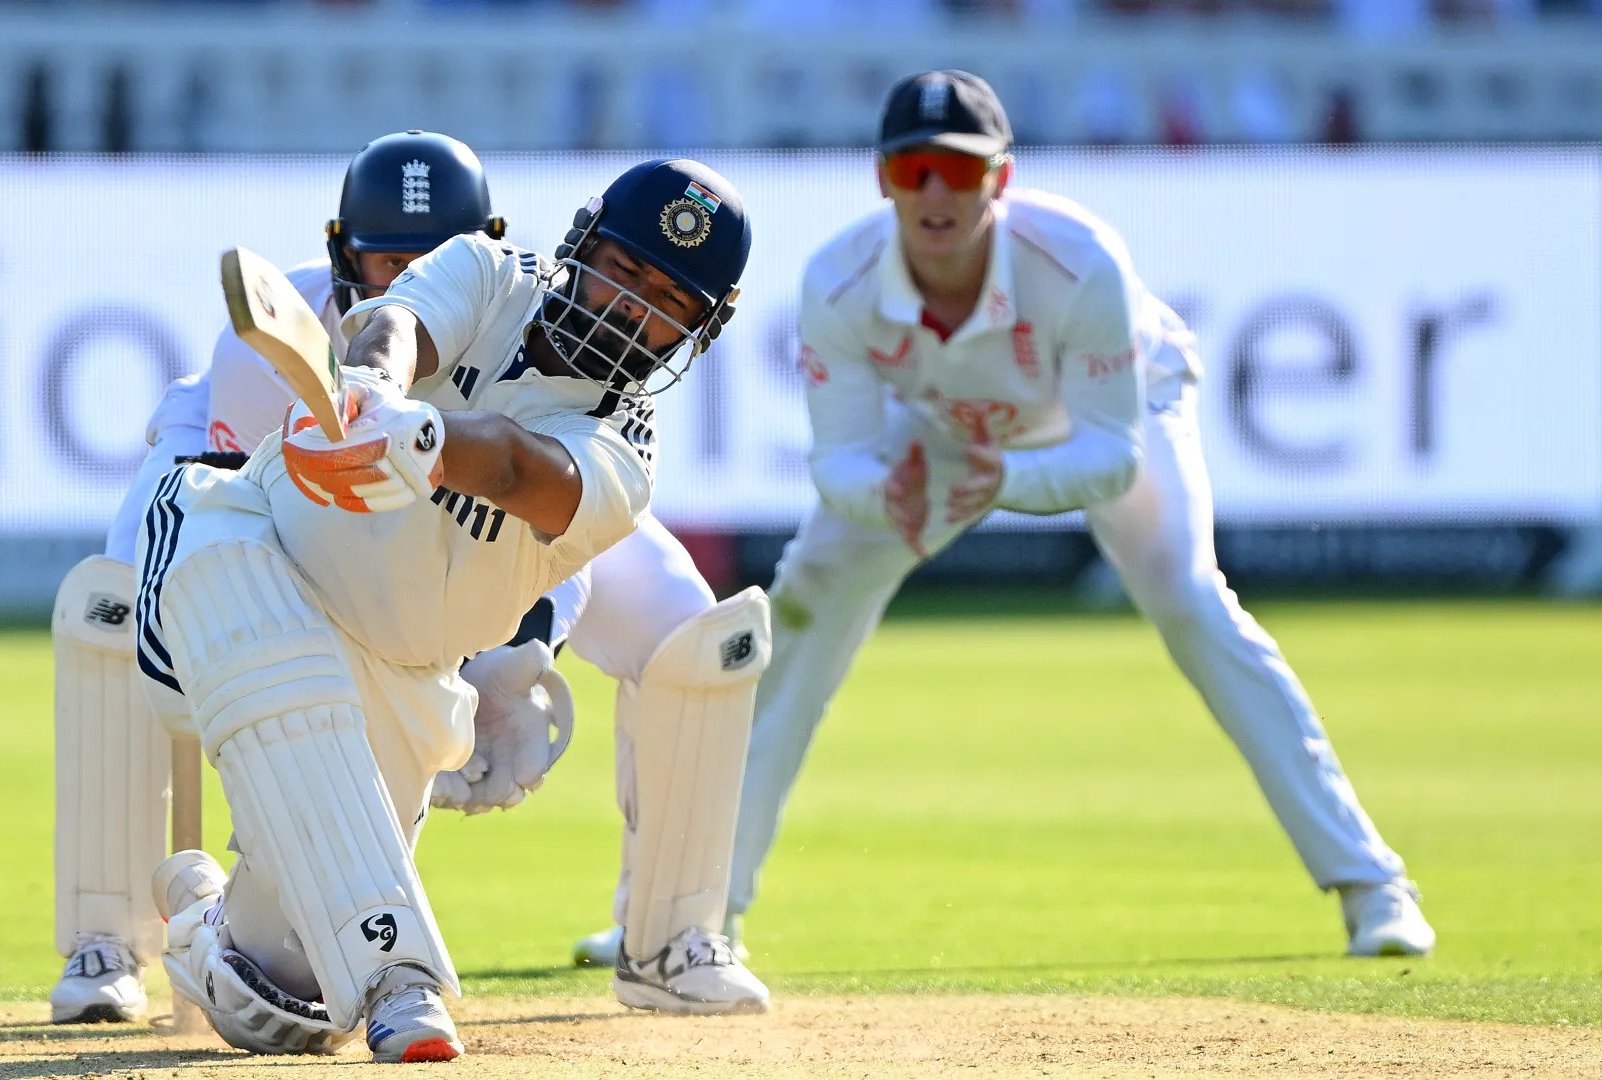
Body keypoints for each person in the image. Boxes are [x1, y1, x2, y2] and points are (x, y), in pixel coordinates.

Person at [727, 70, 1434, 961]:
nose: (936, 192)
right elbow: (839, 462)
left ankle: (1374, 886)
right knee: (808, 602)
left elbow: (1112, 455)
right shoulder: (839, 280)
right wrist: (887, 494)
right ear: (882, 180)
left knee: (1189, 599)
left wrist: (1006, 482)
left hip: (1103, 413)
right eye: (913, 171)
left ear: (1002, 179)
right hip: (945, 425)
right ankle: (692, 912)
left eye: (959, 168)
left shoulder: (1079, 259)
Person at [138, 158, 767, 1061]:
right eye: (624, 271)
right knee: (285, 666)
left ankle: (206, 924)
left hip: (401, 673)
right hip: (243, 557)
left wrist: (420, 440)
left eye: (667, 299)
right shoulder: (485, 271)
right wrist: (378, 391)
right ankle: (408, 984)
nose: (632, 307)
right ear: (582, 245)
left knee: (276, 996)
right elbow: (397, 323)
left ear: (701, 330)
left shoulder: (624, 457)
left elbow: (518, 470)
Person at [47, 130, 506, 1024]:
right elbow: (230, 516)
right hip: (220, 473)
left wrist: (517, 659)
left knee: (390, 669)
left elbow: (547, 514)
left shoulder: (520, 334)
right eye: (387, 261)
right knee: (113, 614)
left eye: (434, 261)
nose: (407, 287)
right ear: (343, 254)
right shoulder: (272, 338)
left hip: (404, 520)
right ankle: (103, 939)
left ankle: (269, 924)